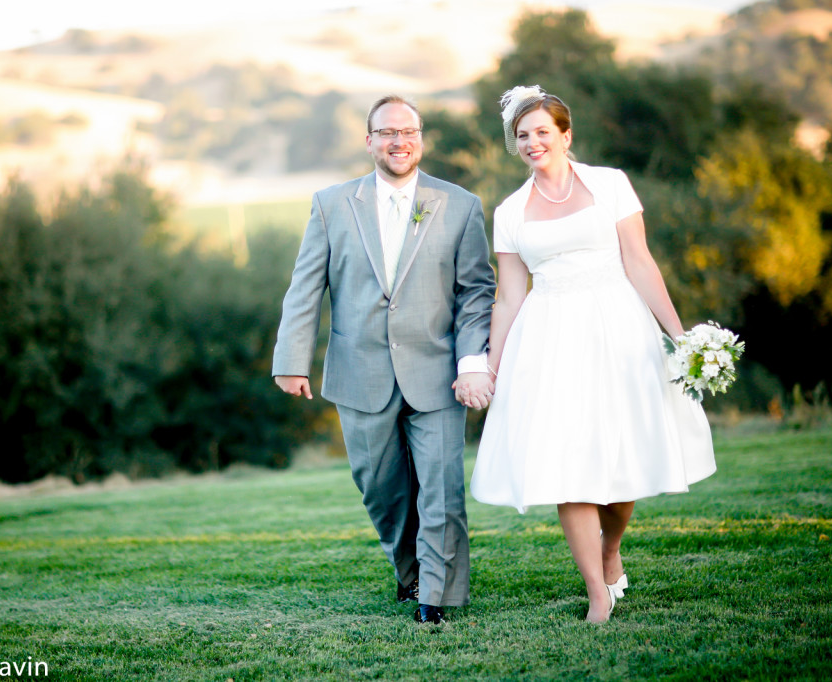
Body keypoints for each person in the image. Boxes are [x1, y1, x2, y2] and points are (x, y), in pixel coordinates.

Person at [470, 85, 716, 623]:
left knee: (621, 458)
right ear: (515, 145)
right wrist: (491, 365)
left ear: (565, 135)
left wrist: (681, 336)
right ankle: (597, 594)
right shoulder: (511, 211)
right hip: (549, 336)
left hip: (618, 326)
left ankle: (611, 547)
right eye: (522, 135)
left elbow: (641, 262)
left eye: (541, 132)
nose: (533, 142)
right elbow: (510, 294)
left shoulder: (610, 184)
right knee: (567, 463)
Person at [273, 95, 496, 625]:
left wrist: (472, 362)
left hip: (438, 372)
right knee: (382, 489)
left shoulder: (460, 205)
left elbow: (476, 293)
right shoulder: (331, 204)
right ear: (369, 140)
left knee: (441, 488)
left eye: (409, 132)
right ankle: (410, 570)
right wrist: (292, 359)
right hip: (359, 371)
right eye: (388, 132)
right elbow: (306, 286)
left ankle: (435, 596)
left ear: (422, 138)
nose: (400, 141)